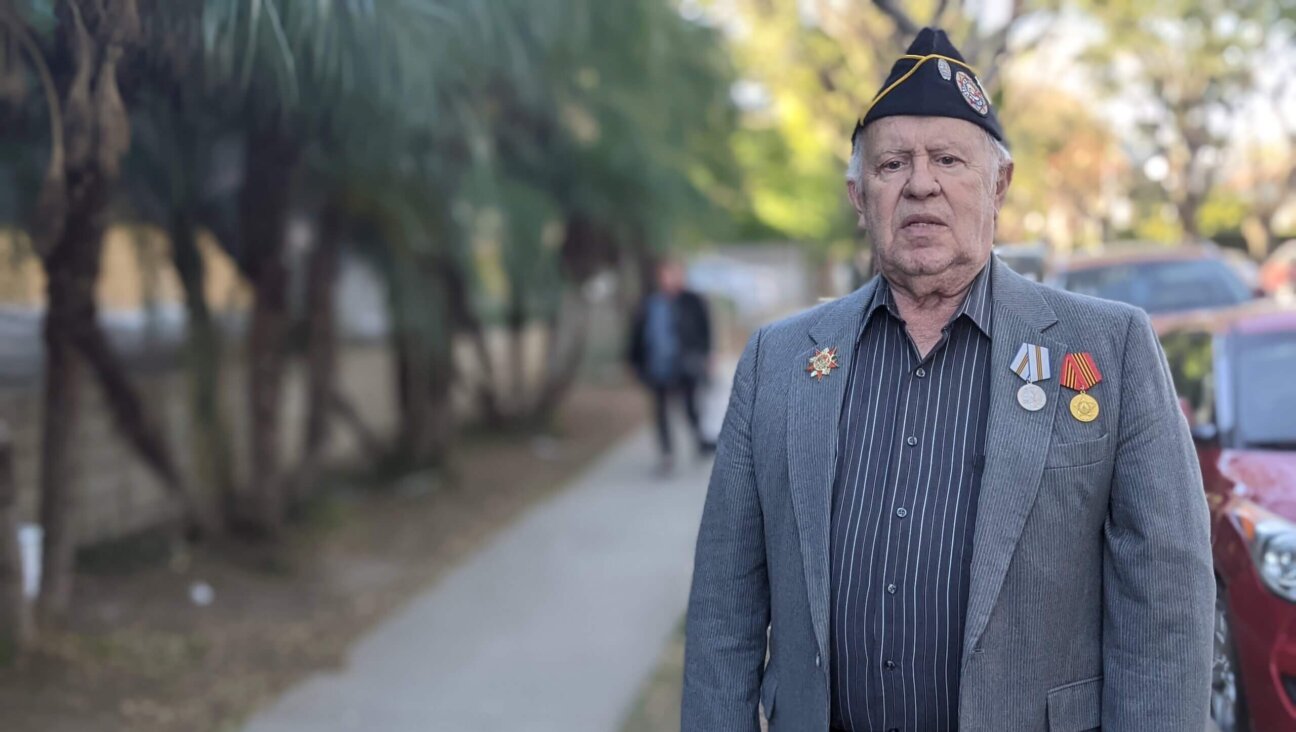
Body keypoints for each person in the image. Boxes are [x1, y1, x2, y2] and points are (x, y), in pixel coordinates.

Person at [682, 28, 1212, 732]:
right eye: (892, 163)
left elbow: (1166, 612)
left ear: (1000, 183)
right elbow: (725, 613)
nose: (921, 183)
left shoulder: (1110, 349)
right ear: (858, 195)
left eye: (949, 159)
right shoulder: (777, 361)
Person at [628, 260, 715, 473]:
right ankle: (667, 453)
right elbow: (637, 335)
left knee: (690, 406)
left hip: (686, 364)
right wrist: (634, 361)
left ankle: (699, 439)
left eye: (672, 275)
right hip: (657, 366)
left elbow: (705, 330)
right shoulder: (650, 304)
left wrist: (707, 356)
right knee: (660, 411)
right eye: (664, 275)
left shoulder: (692, 301)